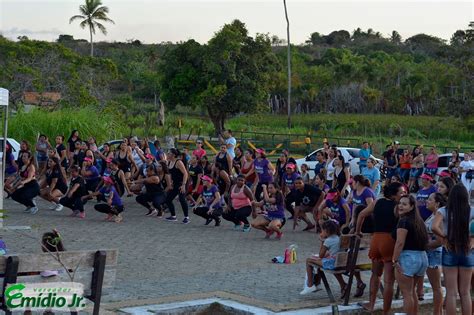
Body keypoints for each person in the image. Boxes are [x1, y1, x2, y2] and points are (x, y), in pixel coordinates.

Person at [356, 182, 406, 313]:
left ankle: (371, 304)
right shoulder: (398, 207)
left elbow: (361, 214)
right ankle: (386, 310)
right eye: (401, 192)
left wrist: (358, 231)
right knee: (389, 281)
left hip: (376, 240)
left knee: (375, 274)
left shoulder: (377, 202)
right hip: (390, 241)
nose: (404, 194)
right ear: (394, 194)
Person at [432, 183, 474, 315]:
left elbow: (433, 227)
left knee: (451, 292)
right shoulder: (472, 210)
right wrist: (472, 239)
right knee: (465, 292)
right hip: (467, 250)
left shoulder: (443, 210)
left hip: (450, 248)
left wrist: (444, 238)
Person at [392, 195, 429, 315]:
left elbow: (400, 242)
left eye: (404, 204)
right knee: (412, 292)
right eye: (400, 203)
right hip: (422, 258)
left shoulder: (404, 221)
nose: (400, 206)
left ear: (412, 207)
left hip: (408, 258)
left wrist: (395, 260)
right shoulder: (420, 221)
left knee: (407, 294)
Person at [300, 220, 346, 295]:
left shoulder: (328, 241)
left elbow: (321, 255)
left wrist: (322, 242)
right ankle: (318, 283)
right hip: (341, 262)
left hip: (332, 263)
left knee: (308, 261)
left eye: (322, 230)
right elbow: (333, 252)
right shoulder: (338, 238)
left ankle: (310, 285)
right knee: (319, 260)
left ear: (326, 231)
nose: (321, 232)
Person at [423, 192, 446, 315]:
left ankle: (438, 312)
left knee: (436, 287)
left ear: (437, 203)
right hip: (431, 253)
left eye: (430, 199)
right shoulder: (433, 215)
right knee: (436, 287)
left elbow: (439, 241)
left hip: (434, 253)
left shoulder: (438, 216)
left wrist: (424, 246)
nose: (427, 201)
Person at [165, 148, 190, 223]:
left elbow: (185, 173)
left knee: (182, 199)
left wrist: (183, 185)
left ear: (173, 155)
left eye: (169, 153)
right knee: (168, 199)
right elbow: (172, 174)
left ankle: (186, 217)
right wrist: (171, 183)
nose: (167, 154)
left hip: (182, 183)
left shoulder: (178, 162)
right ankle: (173, 216)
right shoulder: (169, 162)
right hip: (175, 183)